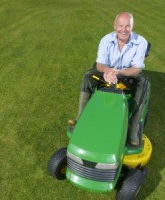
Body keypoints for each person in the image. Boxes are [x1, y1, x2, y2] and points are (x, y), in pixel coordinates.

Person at [68, 12, 148, 146]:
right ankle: (80, 117)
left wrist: (118, 72)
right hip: (107, 71)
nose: (123, 29)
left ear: (132, 26)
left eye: (127, 26)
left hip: (127, 73)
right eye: (120, 26)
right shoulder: (106, 39)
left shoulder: (141, 42)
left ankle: (134, 128)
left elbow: (136, 69)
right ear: (114, 25)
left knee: (143, 85)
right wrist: (107, 71)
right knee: (88, 76)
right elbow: (100, 64)